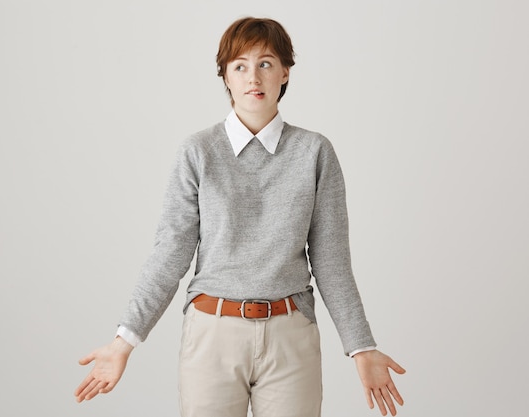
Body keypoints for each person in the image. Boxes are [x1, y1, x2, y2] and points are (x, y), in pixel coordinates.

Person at [74, 16, 405, 417]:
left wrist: (361, 346)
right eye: (240, 66)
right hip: (212, 331)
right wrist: (123, 340)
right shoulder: (198, 151)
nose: (254, 77)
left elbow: (331, 260)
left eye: (266, 63)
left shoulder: (315, 152)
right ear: (225, 77)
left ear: (285, 72)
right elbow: (170, 253)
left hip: (290, 333)